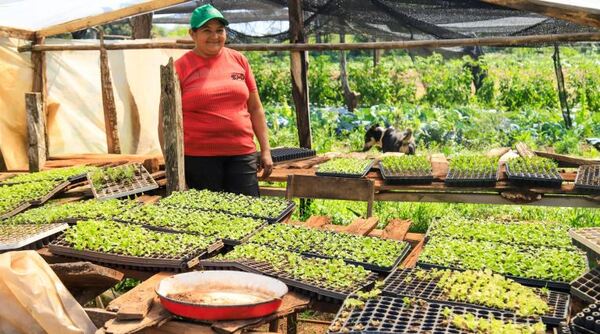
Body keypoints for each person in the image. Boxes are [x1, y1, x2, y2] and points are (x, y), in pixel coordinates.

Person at [159, 4, 272, 196]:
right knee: (209, 219)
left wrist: (266, 151)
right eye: (206, 31)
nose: (215, 36)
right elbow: (164, 123)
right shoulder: (179, 68)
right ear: (192, 34)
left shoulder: (239, 60)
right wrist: (174, 169)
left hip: (241, 154)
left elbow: (255, 109)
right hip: (199, 159)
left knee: (250, 215)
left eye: (220, 30)